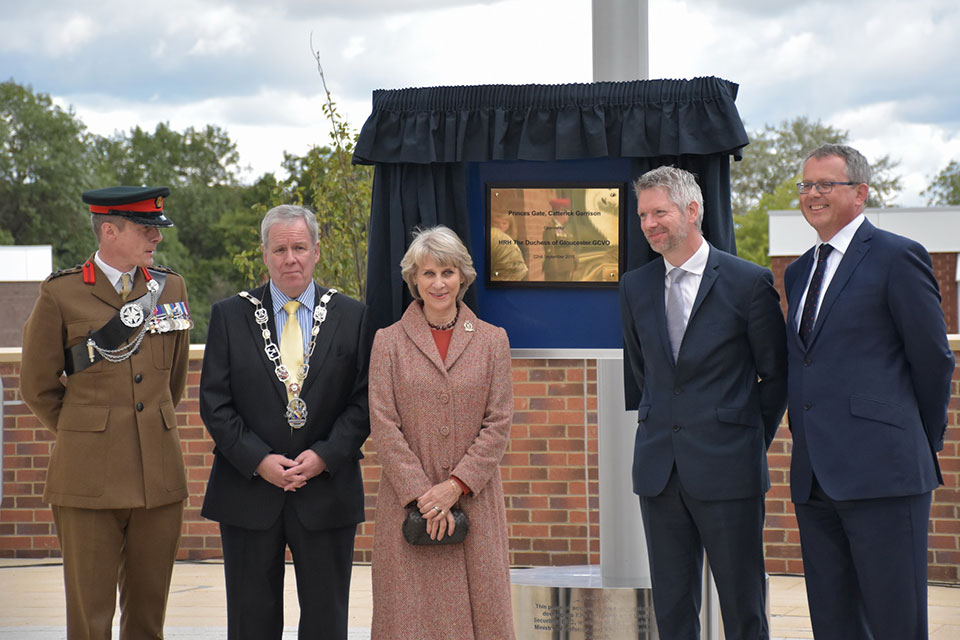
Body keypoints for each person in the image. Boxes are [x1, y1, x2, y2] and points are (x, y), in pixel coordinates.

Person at [785, 144, 954, 639]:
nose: (812, 194)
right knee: (833, 623)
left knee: (895, 621)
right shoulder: (799, 272)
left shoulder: (898, 257)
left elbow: (932, 360)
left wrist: (918, 443)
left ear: (860, 193)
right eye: (806, 185)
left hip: (886, 474)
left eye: (825, 184)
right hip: (815, 478)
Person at [619, 166, 787, 639]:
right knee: (672, 611)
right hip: (659, 473)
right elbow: (646, 373)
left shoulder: (747, 282)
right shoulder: (635, 286)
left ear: (692, 210)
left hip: (730, 469)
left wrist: (746, 438)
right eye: (643, 215)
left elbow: (775, 376)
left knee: (743, 607)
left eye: (660, 212)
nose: (650, 224)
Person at [20, 185, 193, 639]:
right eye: (145, 229)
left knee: (147, 621)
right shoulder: (62, 293)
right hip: (86, 480)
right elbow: (37, 385)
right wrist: (85, 433)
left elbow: (171, 381)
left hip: (157, 478)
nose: (156, 238)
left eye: (156, 229)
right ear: (110, 231)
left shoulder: (169, 286)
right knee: (90, 621)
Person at [199, 204, 372, 640]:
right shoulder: (229, 316)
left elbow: (366, 400)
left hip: (327, 489)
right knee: (251, 620)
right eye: (280, 249)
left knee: (326, 620)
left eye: (299, 247)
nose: (290, 258)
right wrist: (259, 460)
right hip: (249, 490)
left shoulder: (354, 317)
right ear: (264, 254)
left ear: (316, 251)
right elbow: (215, 403)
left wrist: (324, 456)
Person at [368, 225, 515, 639]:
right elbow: (383, 424)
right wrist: (424, 496)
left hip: (475, 504)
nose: (438, 283)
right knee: (409, 619)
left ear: (462, 277)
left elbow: (498, 422)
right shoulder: (388, 343)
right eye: (428, 273)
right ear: (414, 278)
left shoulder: (492, 342)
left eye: (447, 272)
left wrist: (455, 487)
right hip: (408, 505)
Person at [541, 197, 577, 281]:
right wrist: (554, 268)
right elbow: (550, 249)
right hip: (556, 270)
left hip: (566, 268)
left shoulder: (564, 229)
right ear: (560, 213)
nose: (568, 215)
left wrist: (574, 261)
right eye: (567, 212)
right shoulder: (550, 228)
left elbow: (569, 248)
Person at [490, 211, 528, 281]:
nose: (500, 226)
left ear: (510, 225)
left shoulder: (518, 245)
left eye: (504, 223)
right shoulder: (489, 242)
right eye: (496, 223)